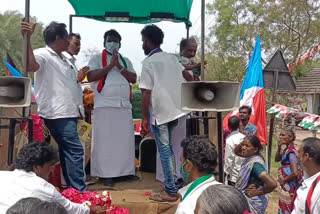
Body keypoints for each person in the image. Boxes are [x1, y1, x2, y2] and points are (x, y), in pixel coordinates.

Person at [21, 21, 87, 191]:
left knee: (68, 153)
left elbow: (68, 84)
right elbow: (30, 66)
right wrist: (27, 38)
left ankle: (72, 190)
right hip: (58, 114)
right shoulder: (43, 54)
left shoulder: (65, 58)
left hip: (69, 112)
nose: (68, 41)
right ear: (58, 38)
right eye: (66, 38)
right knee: (74, 151)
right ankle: (79, 191)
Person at [139, 24, 190, 202]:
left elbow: (146, 92)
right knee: (169, 150)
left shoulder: (148, 63)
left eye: (143, 41)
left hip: (160, 113)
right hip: (175, 111)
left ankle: (170, 190)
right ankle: (174, 183)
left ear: (148, 41)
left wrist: (144, 117)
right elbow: (188, 76)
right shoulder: (171, 59)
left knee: (165, 151)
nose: (142, 45)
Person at [87, 29, 138, 187]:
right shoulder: (96, 58)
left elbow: (134, 78)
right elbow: (91, 76)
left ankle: (125, 172)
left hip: (123, 106)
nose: (113, 43)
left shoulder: (126, 60)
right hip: (105, 105)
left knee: (124, 141)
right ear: (104, 42)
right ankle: (106, 174)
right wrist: (110, 66)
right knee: (106, 142)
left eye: (116, 40)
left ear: (120, 44)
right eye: (110, 40)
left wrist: (119, 67)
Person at [0, 142, 105, 214]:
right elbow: (69, 209)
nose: (52, 169)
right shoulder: (43, 187)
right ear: (36, 167)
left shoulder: (2, 176)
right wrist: (90, 209)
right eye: (50, 165)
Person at [175, 136, 220, 214]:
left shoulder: (186, 208)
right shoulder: (225, 191)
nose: (181, 165)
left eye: (181, 161)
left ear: (188, 165)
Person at [234, 136, 277, 214]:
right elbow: (236, 151)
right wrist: (245, 141)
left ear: (255, 149)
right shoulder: (250, 157)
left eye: (247, 146)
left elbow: (273, 183)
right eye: (243, 145)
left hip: (252, 201)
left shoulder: (255, 164)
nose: (243, 148)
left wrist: (258, 192)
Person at [275, 129, 303, 213]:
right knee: (284, 203)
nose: (280, 137)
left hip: (290, 184)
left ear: (290, 138)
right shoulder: (286, 149)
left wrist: (284, 180)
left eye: (283, 135)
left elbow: (294, 173)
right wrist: (279, 147)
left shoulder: (291, 152)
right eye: (280, 135)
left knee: (287, 204)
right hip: (286, 183)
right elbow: (277, 159)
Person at [62, 33, 90, 118]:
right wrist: (77, 79)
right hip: (65, 111)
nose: (78, 47)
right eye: (76, 44)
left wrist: (83, 89)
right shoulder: (61, 60)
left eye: (80, 45)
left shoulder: (74, 62)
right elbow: (62, 83)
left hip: (76, 110)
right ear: (67, 43)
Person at [292, 137, 320, 214]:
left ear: (306, 156)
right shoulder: (307, 179)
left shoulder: (317, 190)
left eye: (299, 152)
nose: (296, 155)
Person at [224, 115, 245, 186]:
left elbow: (228, 159)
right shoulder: (244, 138)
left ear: (228, 126)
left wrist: (225, 172)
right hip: (245, 173)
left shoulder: (229, 139)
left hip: (234, 176)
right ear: (239, 125)